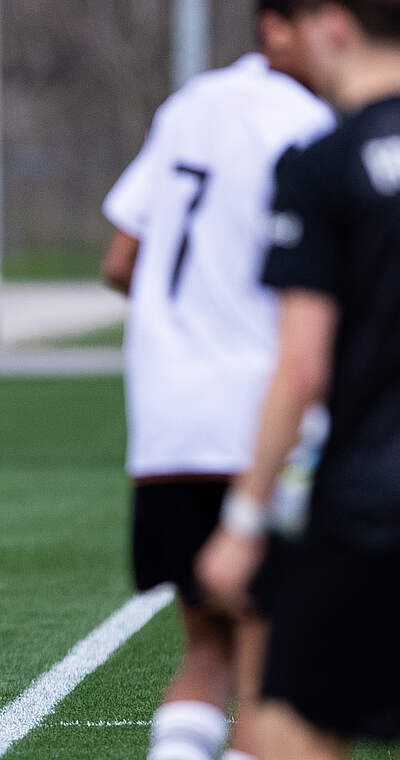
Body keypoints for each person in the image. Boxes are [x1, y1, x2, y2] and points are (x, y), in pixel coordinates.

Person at [99, 4, 334, 758]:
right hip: (259, 421)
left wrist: (192, 317)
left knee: (206, 653)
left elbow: (120, 261)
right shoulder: (307, 124)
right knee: (274, 670)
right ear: (276, 27)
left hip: (167, 425)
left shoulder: (189, 105)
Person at [198, 1, 400, 757]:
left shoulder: (323, 164)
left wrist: (244, 521)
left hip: (370, 504)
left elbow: (302, 365)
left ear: (335, 27)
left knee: (288, 722)